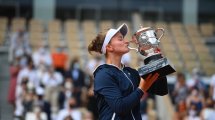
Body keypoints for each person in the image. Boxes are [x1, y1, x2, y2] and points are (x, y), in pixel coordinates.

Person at [88, 23, 159, 120]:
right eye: (120, 39)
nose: (126, 42)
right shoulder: (103, 74)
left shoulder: (131, 72)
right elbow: (120, 107)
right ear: (109, 47)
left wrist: (153, 56)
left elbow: (161, 89)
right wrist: (141, 89)